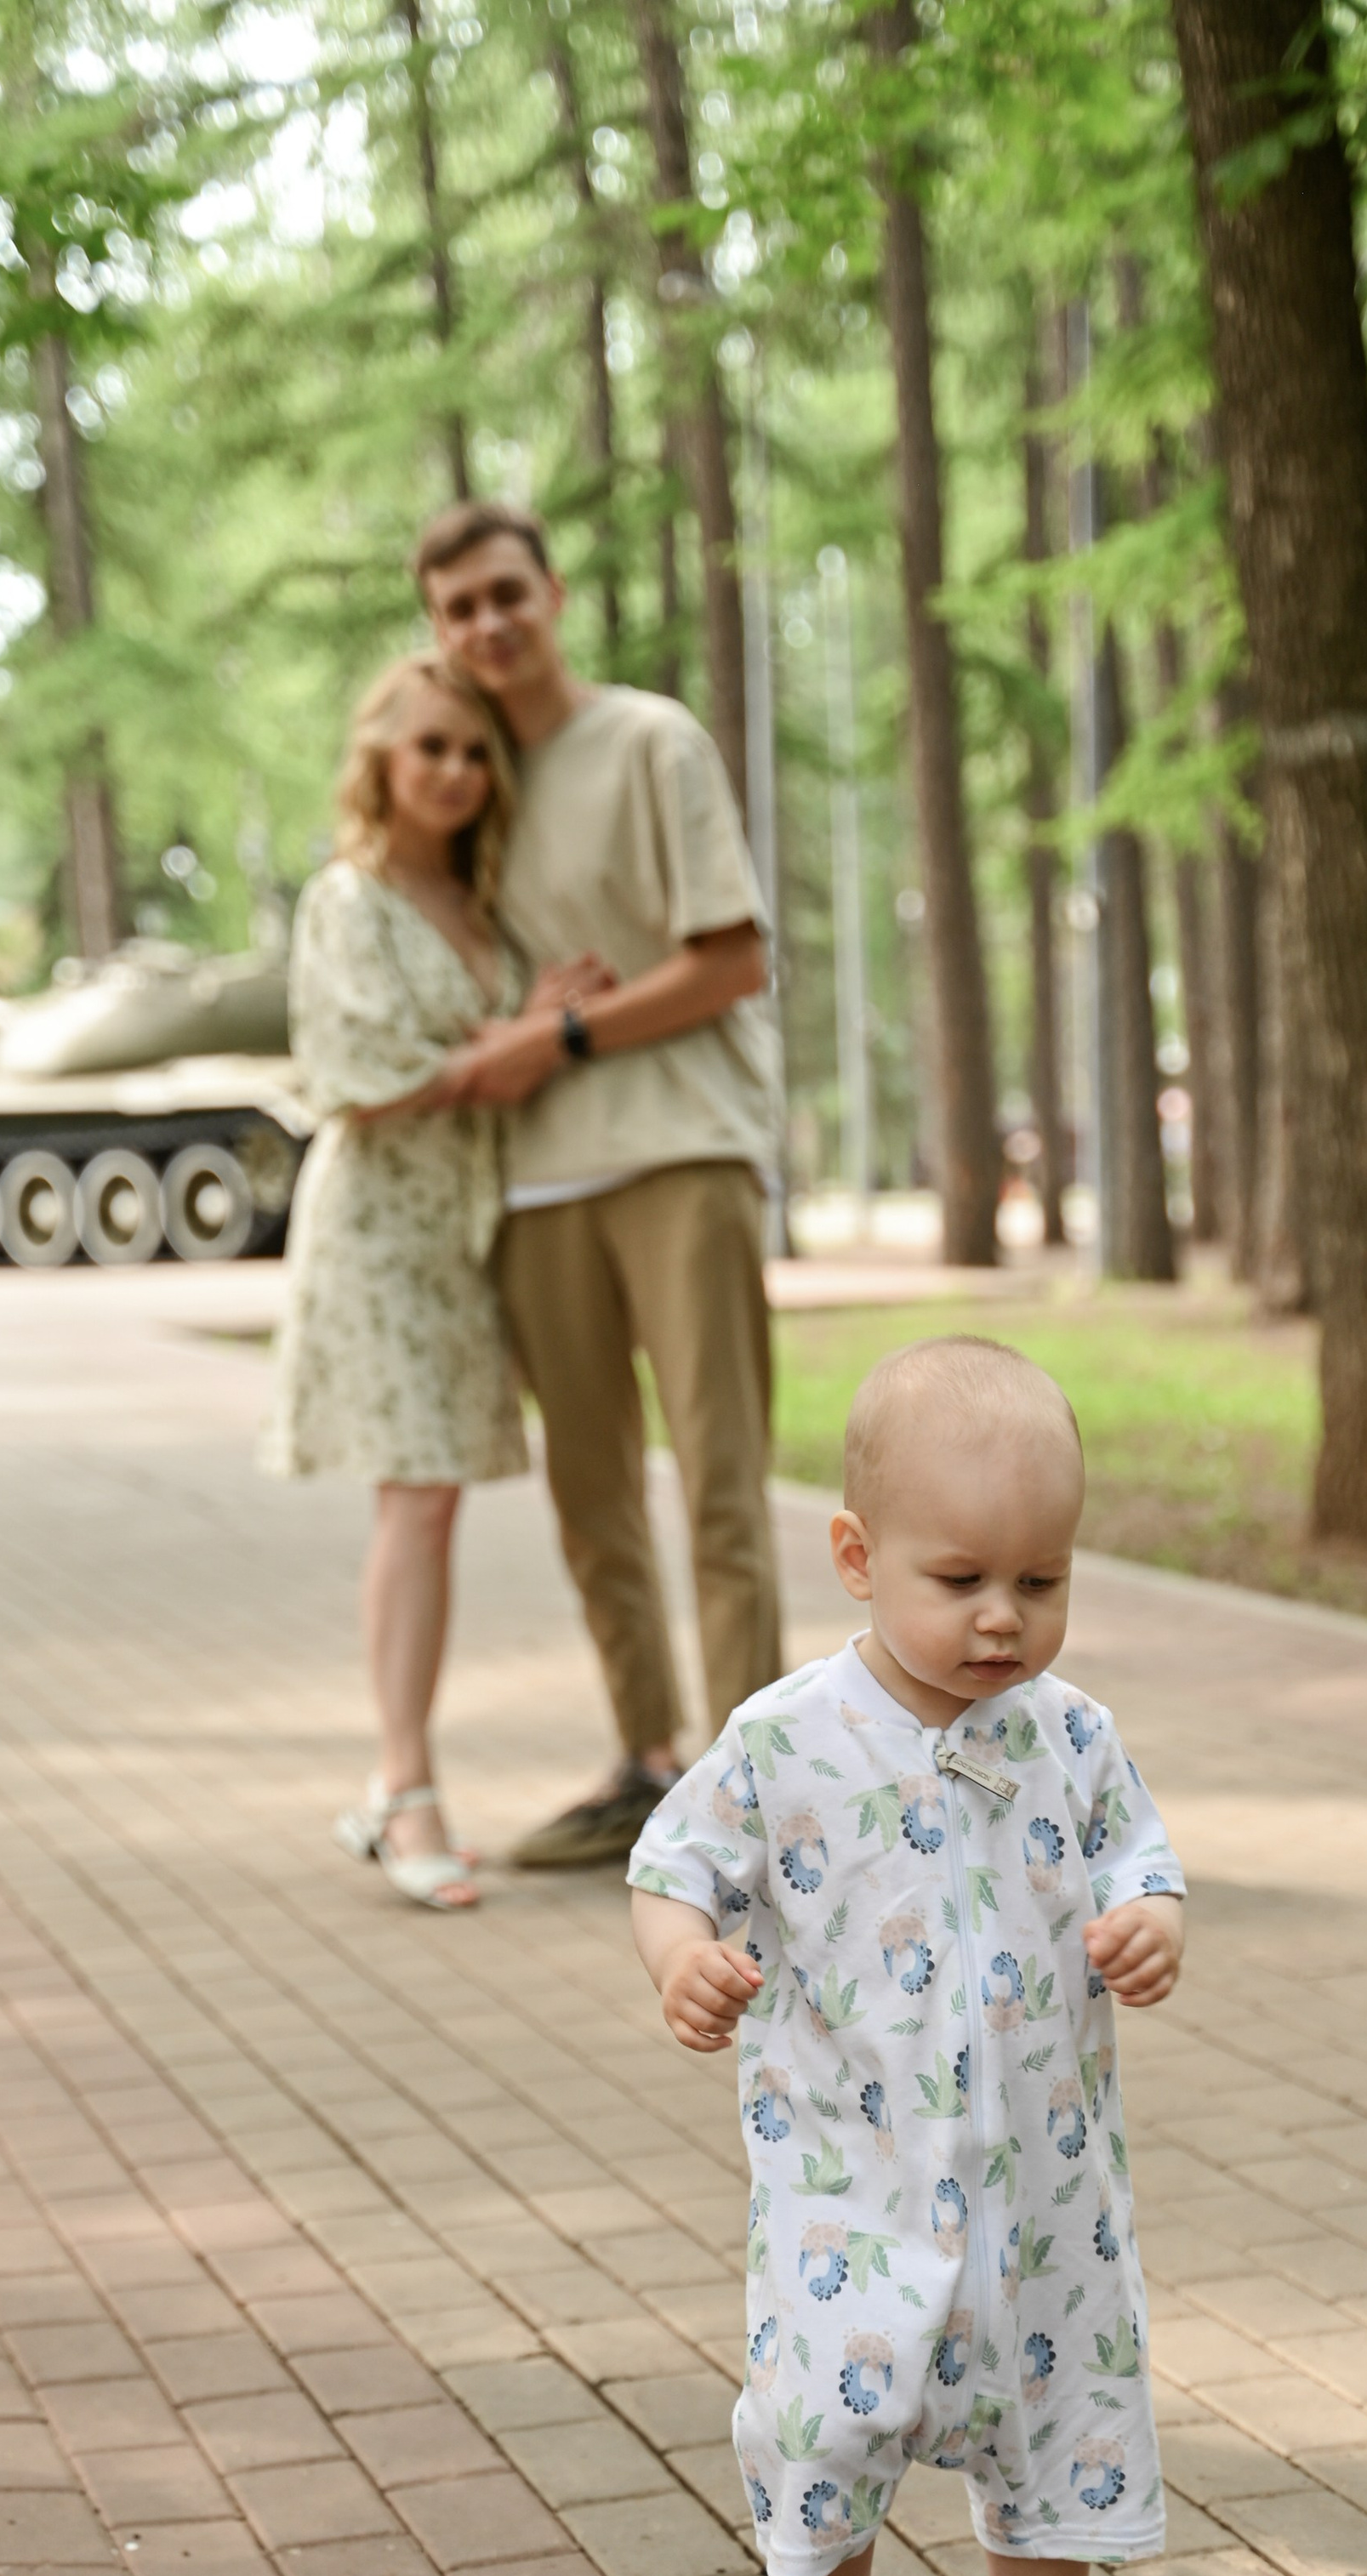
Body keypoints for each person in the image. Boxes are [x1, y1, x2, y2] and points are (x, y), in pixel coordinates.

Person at [627, 1337, 1187, 2576]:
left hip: (1043, 2179)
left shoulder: (1071, 1737)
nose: (1005, 1620)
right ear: (859, 1558)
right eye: (962, 1583)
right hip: (849, 2179)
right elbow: (673, 1865)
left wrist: (1150, 1920)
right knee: (829, 2409)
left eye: (1043, 1583)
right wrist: (679, 1954)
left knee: (1057, 2398)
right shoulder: (786, 1739)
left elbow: (1141, 1852)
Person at [414, 498, 784, 1870]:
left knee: (722, 1479)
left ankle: (759, 1795)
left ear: (552, 592)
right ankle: (648, 1763)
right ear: (437, 630)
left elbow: (730, 959)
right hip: (539, 1189)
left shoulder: (649, 739)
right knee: (591, 1498)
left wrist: (553, 1036)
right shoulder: (466, 784)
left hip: (680, 1151)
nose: (489, 624)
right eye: (459, 610)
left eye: (507, 594)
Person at [261, 651, 602, 1908]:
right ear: (383, 761)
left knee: (440, 1499)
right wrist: (521, 1039)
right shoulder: (346, 899)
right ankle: (408, 1787)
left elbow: (500, 1059)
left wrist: (520, 1036)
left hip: (470, 1231)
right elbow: (374, 1069)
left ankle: (389, 1778)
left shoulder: (485, 901)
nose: (455, 771)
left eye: (473, 751)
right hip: (382, 1232)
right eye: (431, 749)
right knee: (415, 1500)